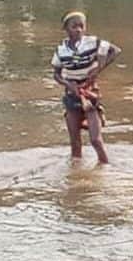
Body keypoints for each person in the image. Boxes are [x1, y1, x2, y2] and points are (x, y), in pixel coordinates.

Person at [51, 11, 121, 164]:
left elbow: (114, 51)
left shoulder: (92, 42)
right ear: (66, 29)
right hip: (72, 95)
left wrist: (98, 69)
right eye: (74, 26)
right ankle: (76, 174)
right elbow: (56, 74)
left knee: (96, 140)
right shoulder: (60, 50)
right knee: (75, 144)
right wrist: (67, 84)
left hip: (89, 94)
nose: (79, 30)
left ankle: (105, 169)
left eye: (82, 26)